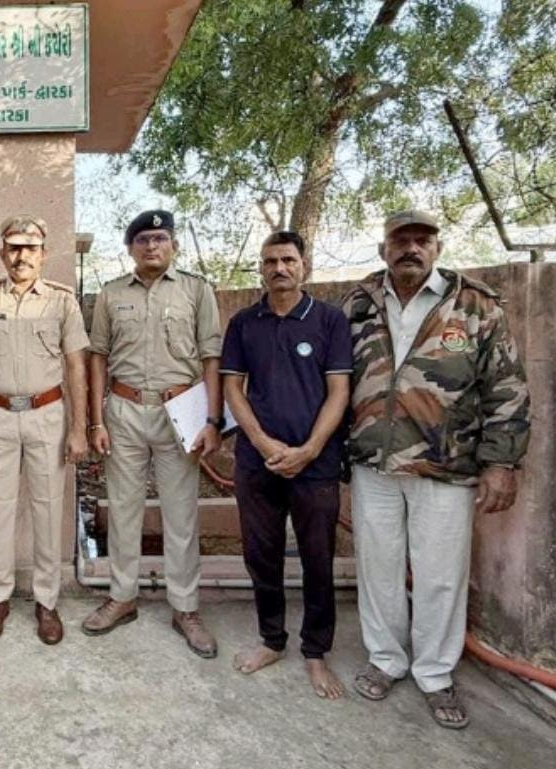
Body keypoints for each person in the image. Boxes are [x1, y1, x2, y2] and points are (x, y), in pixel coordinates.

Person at [344, 210, 530, 729]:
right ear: (383, 249)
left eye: (422, 240)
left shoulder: (475, 305)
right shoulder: (359, 303)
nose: (411, 248)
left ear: (437, 249)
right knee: (378, 569)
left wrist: (501, 462)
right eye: (400, 240)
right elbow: (336, 379)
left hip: (446, 464)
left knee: (441, 575)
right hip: (373, 462)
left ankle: (435, 673)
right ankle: (386, 659)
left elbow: (506, 389)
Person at [81, 210, 224, 657]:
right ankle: (122, 597)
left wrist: (212, 420)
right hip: (123, 411)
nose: (151, 246)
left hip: (179, 411)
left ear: (173, 245)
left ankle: (185, 607)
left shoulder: (197, 290)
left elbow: (211, 358)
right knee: (123, 510)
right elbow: (98, 357)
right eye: (142, 239)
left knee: (181, 514)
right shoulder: (111, 294)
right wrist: (96, 420)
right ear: (130, 248)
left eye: (160, 238)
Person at [220, 230, 351, 698]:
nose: (280, 268)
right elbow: (233, 388)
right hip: (258, 463)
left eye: (288, 260)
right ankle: (271, 640)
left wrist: (310, 449)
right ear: (261, 268)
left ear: (304, 266)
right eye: (271, 261)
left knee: (318, 558)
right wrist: (261, 442)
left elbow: (339, 392)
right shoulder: (244, 323)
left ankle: (315, 652)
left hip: (316, 464)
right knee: (262, 555)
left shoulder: (330, 321)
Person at [0, 215, 88, 644]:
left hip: (47, 414)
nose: (21, 256)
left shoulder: (62, 301)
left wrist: (79, 428)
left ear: (43, 254)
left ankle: (47, 601)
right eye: (14, 247)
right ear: (2, 253)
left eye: (30, 248)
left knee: (48, 509)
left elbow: (76, 366)